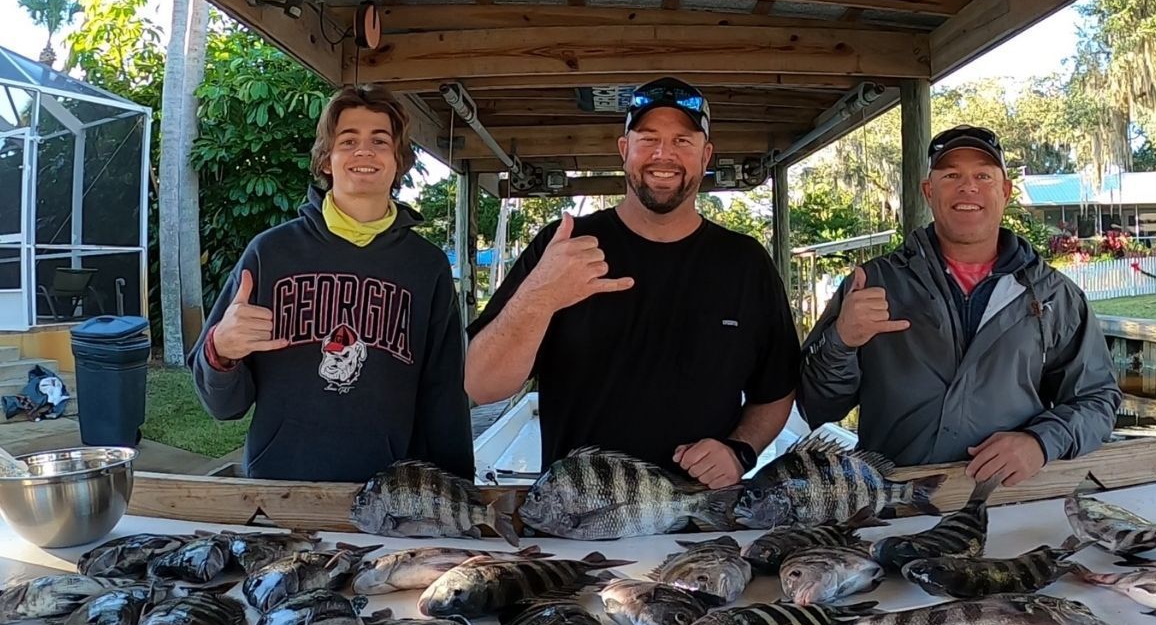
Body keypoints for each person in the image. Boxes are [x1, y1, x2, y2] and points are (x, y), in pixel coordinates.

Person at [465, 77, 800, 489]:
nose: (664, 155)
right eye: (648, 138)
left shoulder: (746, 262)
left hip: (703, 517)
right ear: (624, 150)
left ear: (705, 155)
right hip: (579, 517)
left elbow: (777, 389)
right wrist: (541, 296)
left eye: (683, 140)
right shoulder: (564, 248)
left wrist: (739, 450)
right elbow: (480, 384)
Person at [797, 124, 1121, 486]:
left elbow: (1097, 399)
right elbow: (815, 405)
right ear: (928, 190)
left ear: (1005, 191)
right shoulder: (871, 284)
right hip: (891, 506)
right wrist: (841, 341)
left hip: (1006, 501)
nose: (968, 187)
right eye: (951, 174)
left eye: (983, 175)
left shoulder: (1053, 294)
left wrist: (1041, 442)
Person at [189, 84, 473, 483]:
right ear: (326, 160)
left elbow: (445, 394)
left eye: (380, 140)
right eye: (348, 140)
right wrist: (220, 351)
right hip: (279, 484)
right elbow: (223, 406)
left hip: (388, 495)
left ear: (398, 161)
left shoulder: (427, 266)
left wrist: (458, 488)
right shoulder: (270, 254)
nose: (364, 151)